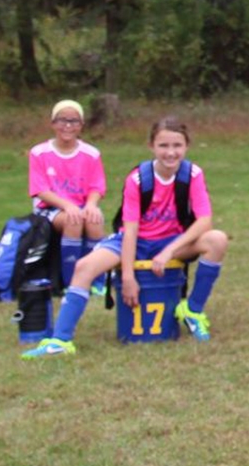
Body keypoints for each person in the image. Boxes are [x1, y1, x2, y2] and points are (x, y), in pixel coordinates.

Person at [21, 118, 230, 358]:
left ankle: (192, 310)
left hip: (171, 243)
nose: (170, 153)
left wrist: (169, 251)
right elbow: (130, 230)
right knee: (84, 267)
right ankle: (60, 340)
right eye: (163, 145)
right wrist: (128, 277)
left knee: (217, 239)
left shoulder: (192, 174)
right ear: (151, 146)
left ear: (187, 147)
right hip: (135, 241)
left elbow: (205, 221)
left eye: (177, 145)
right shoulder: (138, 179)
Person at [28, 100, 108, 291]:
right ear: (53, 123)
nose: (68, 126)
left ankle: (97, 280)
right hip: (51, 209)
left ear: (81, 125)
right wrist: (68, 206)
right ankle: (72, 281)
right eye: (62, 120)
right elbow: (41, 190)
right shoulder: (40, 152)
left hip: (80, 206)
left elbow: (97, 187)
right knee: (73, 220)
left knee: (95, 219)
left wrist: (91, 205)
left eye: (74, 121)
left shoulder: (91, 153)